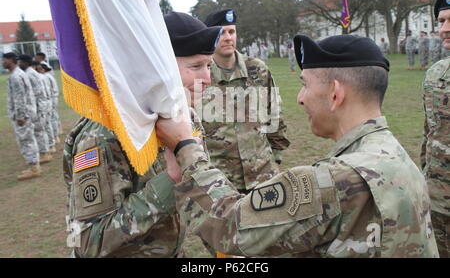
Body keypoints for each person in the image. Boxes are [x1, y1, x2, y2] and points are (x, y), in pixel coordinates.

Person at [155, 34, 439, 258]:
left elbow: (230, 225)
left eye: (305, 85)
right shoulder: (395, 154)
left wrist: (185, 147)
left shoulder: (337, 178)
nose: (300, 98)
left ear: (335, 93)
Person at [63, 11, 222, 258]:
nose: (208, 78)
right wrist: (170, 181)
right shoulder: (103, 134)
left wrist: (224, 250)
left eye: (209, 65)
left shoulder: (185, 119)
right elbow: (87, 243)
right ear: (159, 68)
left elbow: (201, 195)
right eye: (196, 66)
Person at [202, 9, 290, 194]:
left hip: (263, 176)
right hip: (220, 182)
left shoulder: (257, 69)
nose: (228, 38)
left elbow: (274, 115)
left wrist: (276, 158)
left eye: (231, 32)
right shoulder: (201, 75)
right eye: (221, 32)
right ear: (210, 37)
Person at [421, 0, 450, 258]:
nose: (445, 29)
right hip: (437, 201)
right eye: (441, 21)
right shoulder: (436, 74)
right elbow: (429, 134)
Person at [2, 52, 41, 181]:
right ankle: (33, 166)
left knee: (26, 140)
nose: (3, 62)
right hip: (26, 112)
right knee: (28, 139)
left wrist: (20, 116)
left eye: (5, 60)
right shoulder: (18, 74)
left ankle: (34, 168)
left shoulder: (16, 76)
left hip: (23, 115)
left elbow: (20, 98)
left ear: (11, 60)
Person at [18, 55, 52, 164]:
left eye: (20, 62)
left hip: (38, 104)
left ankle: (45, 153)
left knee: (39, 130)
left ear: (26, 63)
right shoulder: (32, 73)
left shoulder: (29, 74)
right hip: (40, 103)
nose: (19, 64)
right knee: (41, 129)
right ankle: (45, 151)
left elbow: (34, 92)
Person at [35, 63, 57, 154]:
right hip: (49, 99)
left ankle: (51, 143)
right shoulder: (47, 76)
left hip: (47, 101)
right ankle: (53, 140)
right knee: (50, 121)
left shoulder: (43, 77)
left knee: (47, 123)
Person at [39, 63, 61, 144]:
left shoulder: (46, 77)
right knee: (53, 117)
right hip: (51, 98)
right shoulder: (48, 76)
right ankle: (56, 134)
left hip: (50, 98)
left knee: (51, 119)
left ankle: (55, 136)